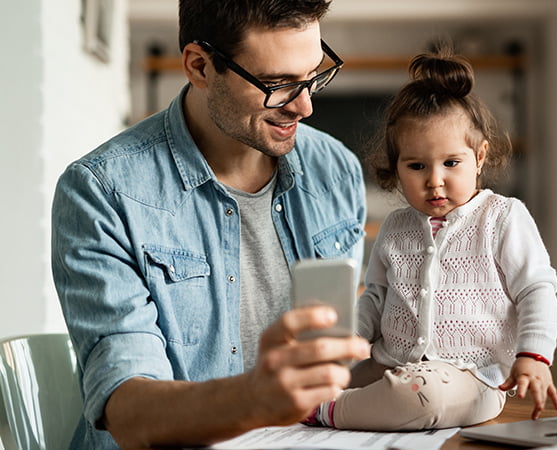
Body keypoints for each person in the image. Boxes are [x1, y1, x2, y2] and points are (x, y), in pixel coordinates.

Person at [50, 1, 370, 448]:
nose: (305, 106)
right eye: (277, 84)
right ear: (199, 66)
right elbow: (128, 411)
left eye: (314, 74)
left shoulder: (336, 170)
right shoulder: (102, 192)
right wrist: (254, 399)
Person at [303, 47, 557, 431]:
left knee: (422, 396)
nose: (434, 180)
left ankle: (327, 411)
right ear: (396, 167)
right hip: (387, 364)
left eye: (451, 163)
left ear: (480, 156)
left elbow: (536, 289)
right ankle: (334, 401)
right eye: (417, 166)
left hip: (473, 377)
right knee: (310, 382)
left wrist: (534, 356)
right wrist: (343, 346)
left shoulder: (503, 217)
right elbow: (375, 298)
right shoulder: (395, 226)